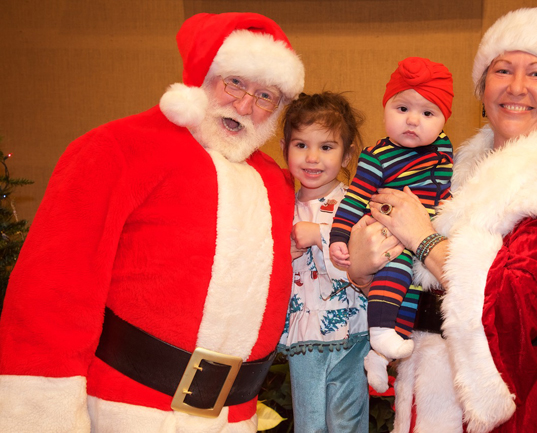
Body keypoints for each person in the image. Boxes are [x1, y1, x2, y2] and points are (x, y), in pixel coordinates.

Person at [0, 12, 304, 433]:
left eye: (265, 95)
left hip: (237, 417)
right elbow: (54, 290)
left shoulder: (274, 181)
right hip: (125, 411)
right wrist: (43, 415)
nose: (245, 106)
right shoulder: (117, 149)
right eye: (234, 82)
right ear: (203, 75)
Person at [347, 7, 537, 432]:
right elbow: (424, 292)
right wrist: (364, 270)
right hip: (438, 391)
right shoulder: (451, 175)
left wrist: (422, 237)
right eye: (503, 70)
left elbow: (510, 300)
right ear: (482, 86)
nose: (516, 87)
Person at [329, 57, 454, 365]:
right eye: (402, 108)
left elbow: (446, 191)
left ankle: (380, 356)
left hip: (425, 239)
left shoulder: (443, 151)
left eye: (427, 113)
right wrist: (339, 237)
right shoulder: (378, 156)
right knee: (396, 271)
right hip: (391, 236)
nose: (413, 120)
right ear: (385, 109)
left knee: (415, 293)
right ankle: (381, 331)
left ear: (443, 120)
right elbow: (355, 198)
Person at [277, 91, 369, 433]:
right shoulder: (281, 207)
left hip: (352, 332)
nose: (312, 157)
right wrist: (283, 255)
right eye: (301, 145)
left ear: (347, 155)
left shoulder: (355, 205)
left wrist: (320, 234)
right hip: (304, 334)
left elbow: (366, 260)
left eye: (326, 147)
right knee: (310, 420)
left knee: (347, 421)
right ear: (285, 147)